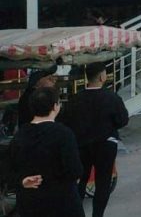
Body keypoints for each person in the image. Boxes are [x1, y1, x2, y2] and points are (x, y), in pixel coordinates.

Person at [61, 62, 128, 217]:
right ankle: (98, 214)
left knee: (81, 180)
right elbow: (122, 120)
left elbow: (66, 122)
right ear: (101, 76)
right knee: (103, 182)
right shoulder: (112, 98)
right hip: (105, 144)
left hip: (82, 145)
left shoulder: (75, 99)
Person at [9, 87, 85, 217]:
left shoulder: (20, 136)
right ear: (55, 106)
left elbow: (10, 169)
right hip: (62, 201)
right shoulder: (63, 134)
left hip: (30, 202)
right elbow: (74, 170)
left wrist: (22, 181)